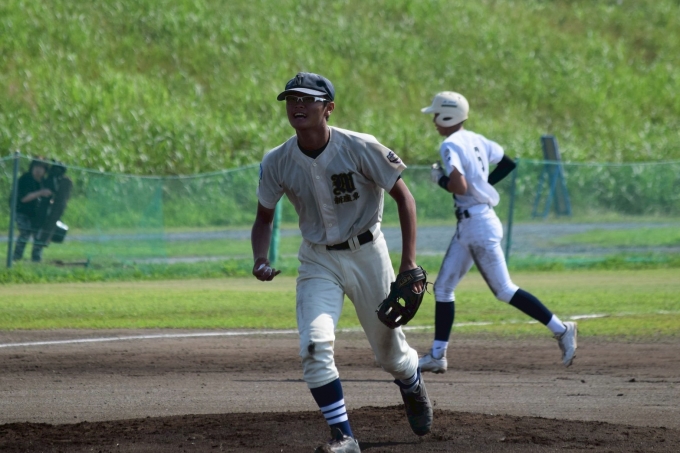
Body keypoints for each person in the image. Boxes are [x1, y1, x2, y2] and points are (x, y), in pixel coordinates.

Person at [251, 72, 432, 452]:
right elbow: (264, 218)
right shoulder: (277, 160)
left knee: (390, 355)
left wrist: (408, 263)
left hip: (368, 254)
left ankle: (411, 381)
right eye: (292, 99)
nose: (297, 105)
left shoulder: (360, 146)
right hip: (317, 261)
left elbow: (405, 198)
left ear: (328, 108)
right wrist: (260, 258)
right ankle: (343, 436)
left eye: (307, 99)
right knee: (314, 346)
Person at [419, 91, 577, 374]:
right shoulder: (476, 139)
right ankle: (437, 355)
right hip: (473, 223)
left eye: (437, 114)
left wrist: (440, 179)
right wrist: (483, 186)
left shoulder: (450, 144)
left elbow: (459, 186)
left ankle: (562, 329)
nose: (434, 120)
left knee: (504, 290)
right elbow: (508, 163)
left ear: (449, 115)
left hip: (477, 225)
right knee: (442, 288)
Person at [12, 159, 52, 262]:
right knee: (25, 232)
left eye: (41, 168)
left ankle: (36, 258)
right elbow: (23, 199)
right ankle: (16, 257)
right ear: (32, 168)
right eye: (36, 167)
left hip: (36, 213)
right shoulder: (25, 179)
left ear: (45, 170)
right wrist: (40, 193)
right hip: (21, 211)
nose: (38, 170)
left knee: (39, 234)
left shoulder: (44, 182)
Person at [35, 161, 73, 257]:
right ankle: (37, 250)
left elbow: (62, 198)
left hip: (54, 209)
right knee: (38, 230)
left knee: (47, 229)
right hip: (41, 207)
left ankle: (38, 251)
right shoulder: (48, 180)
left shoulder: (65, 182)